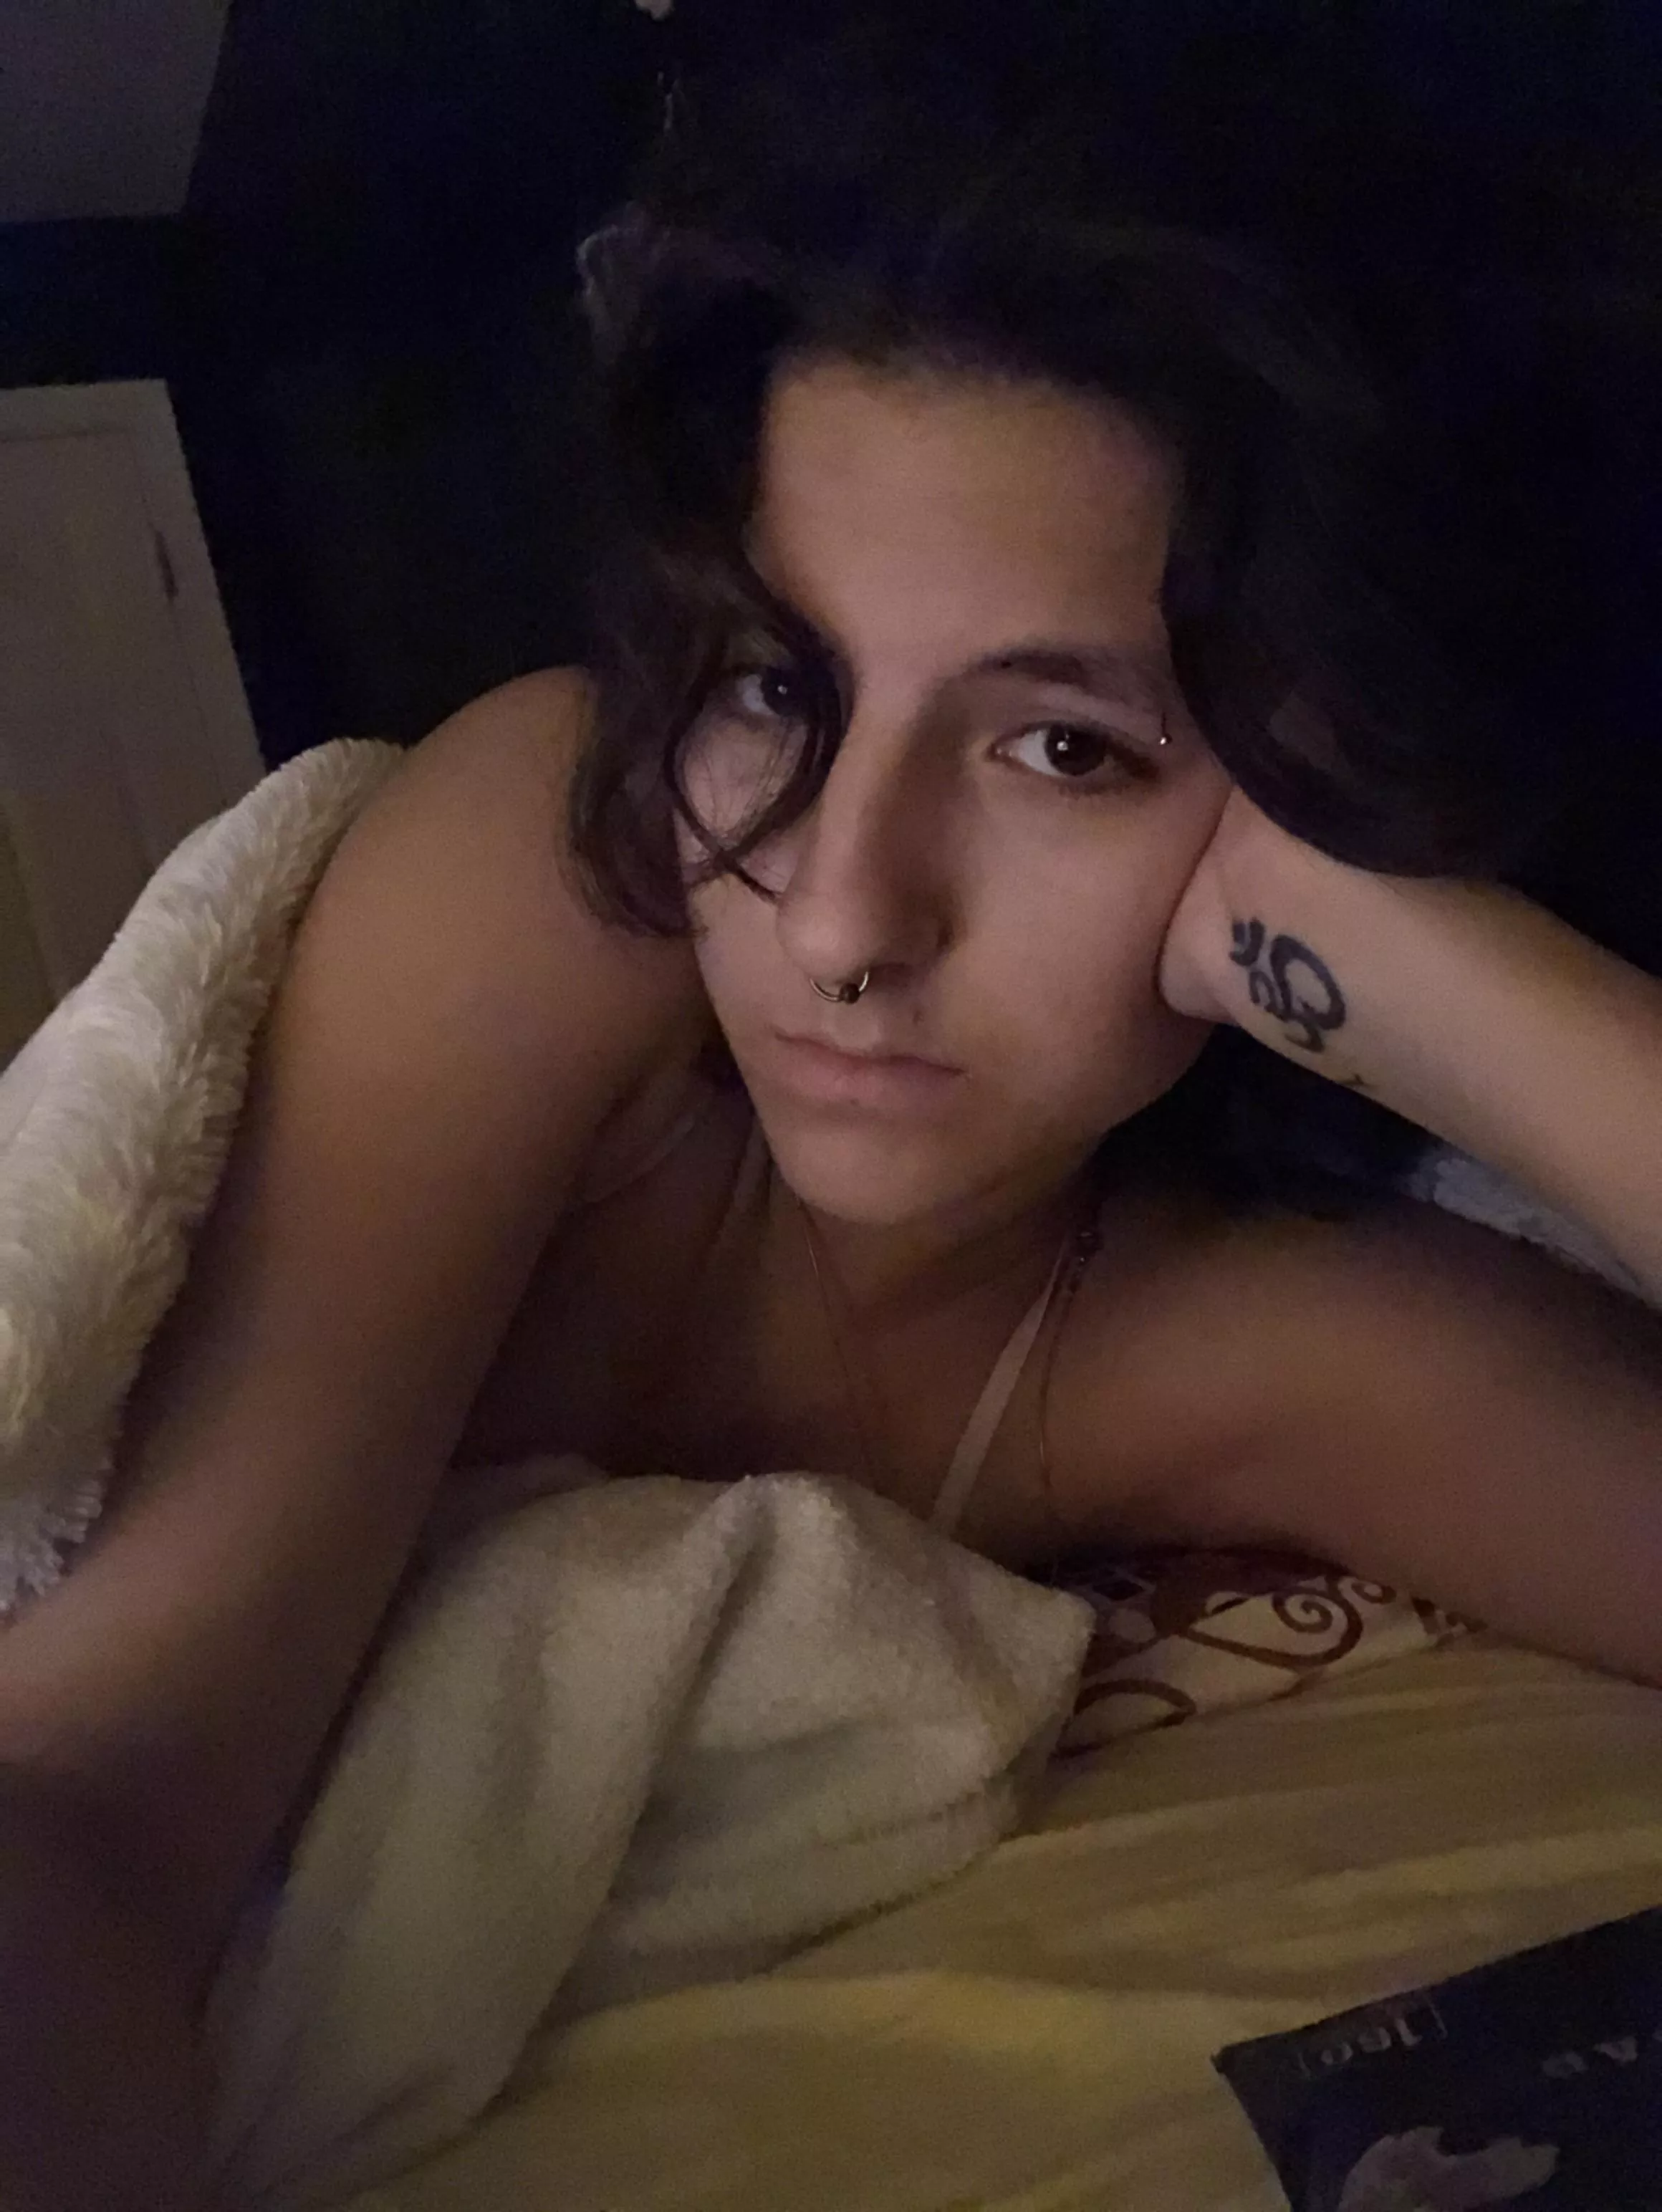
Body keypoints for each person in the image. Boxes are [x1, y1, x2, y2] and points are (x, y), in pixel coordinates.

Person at [1, 16, 1660, 2206]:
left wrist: (1443, 979)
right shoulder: (561, 883)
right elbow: (103, 1782)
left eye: (1065, 748)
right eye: (777, 683)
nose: (841, 916)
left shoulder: (1231, 1344)